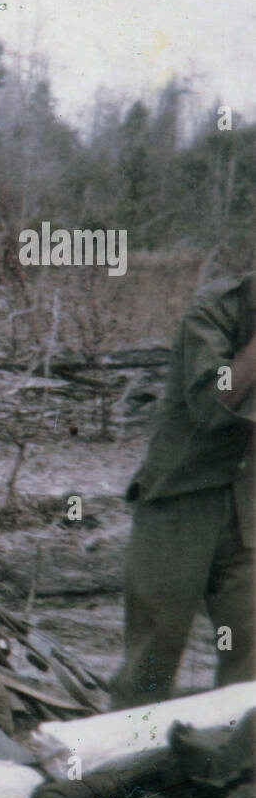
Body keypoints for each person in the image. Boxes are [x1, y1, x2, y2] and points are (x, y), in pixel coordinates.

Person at [109, 272, 256, 709]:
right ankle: (125, 773)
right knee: (153, 653)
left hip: (248, 504)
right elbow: (215, 405)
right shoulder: (213, 310)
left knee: (250, 652)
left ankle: (236, 769)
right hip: (180, 497)